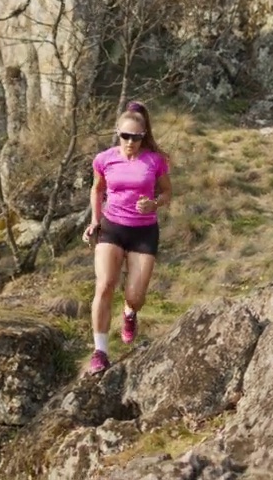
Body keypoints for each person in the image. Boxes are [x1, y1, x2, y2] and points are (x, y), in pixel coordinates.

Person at [82, 101, 171, 374]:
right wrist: (95, 221)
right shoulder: (104, 159)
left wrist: (154, 204)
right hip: (112, 228)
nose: (130, 142)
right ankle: (100, 351)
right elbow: (97, 190)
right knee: (105, 284)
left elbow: (168, 193)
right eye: (125, 136)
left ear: (144, 136)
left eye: (136, 137)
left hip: (144, 232)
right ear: (117, 133)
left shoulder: (155, 161)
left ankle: (130, 313)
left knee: (135, 296)